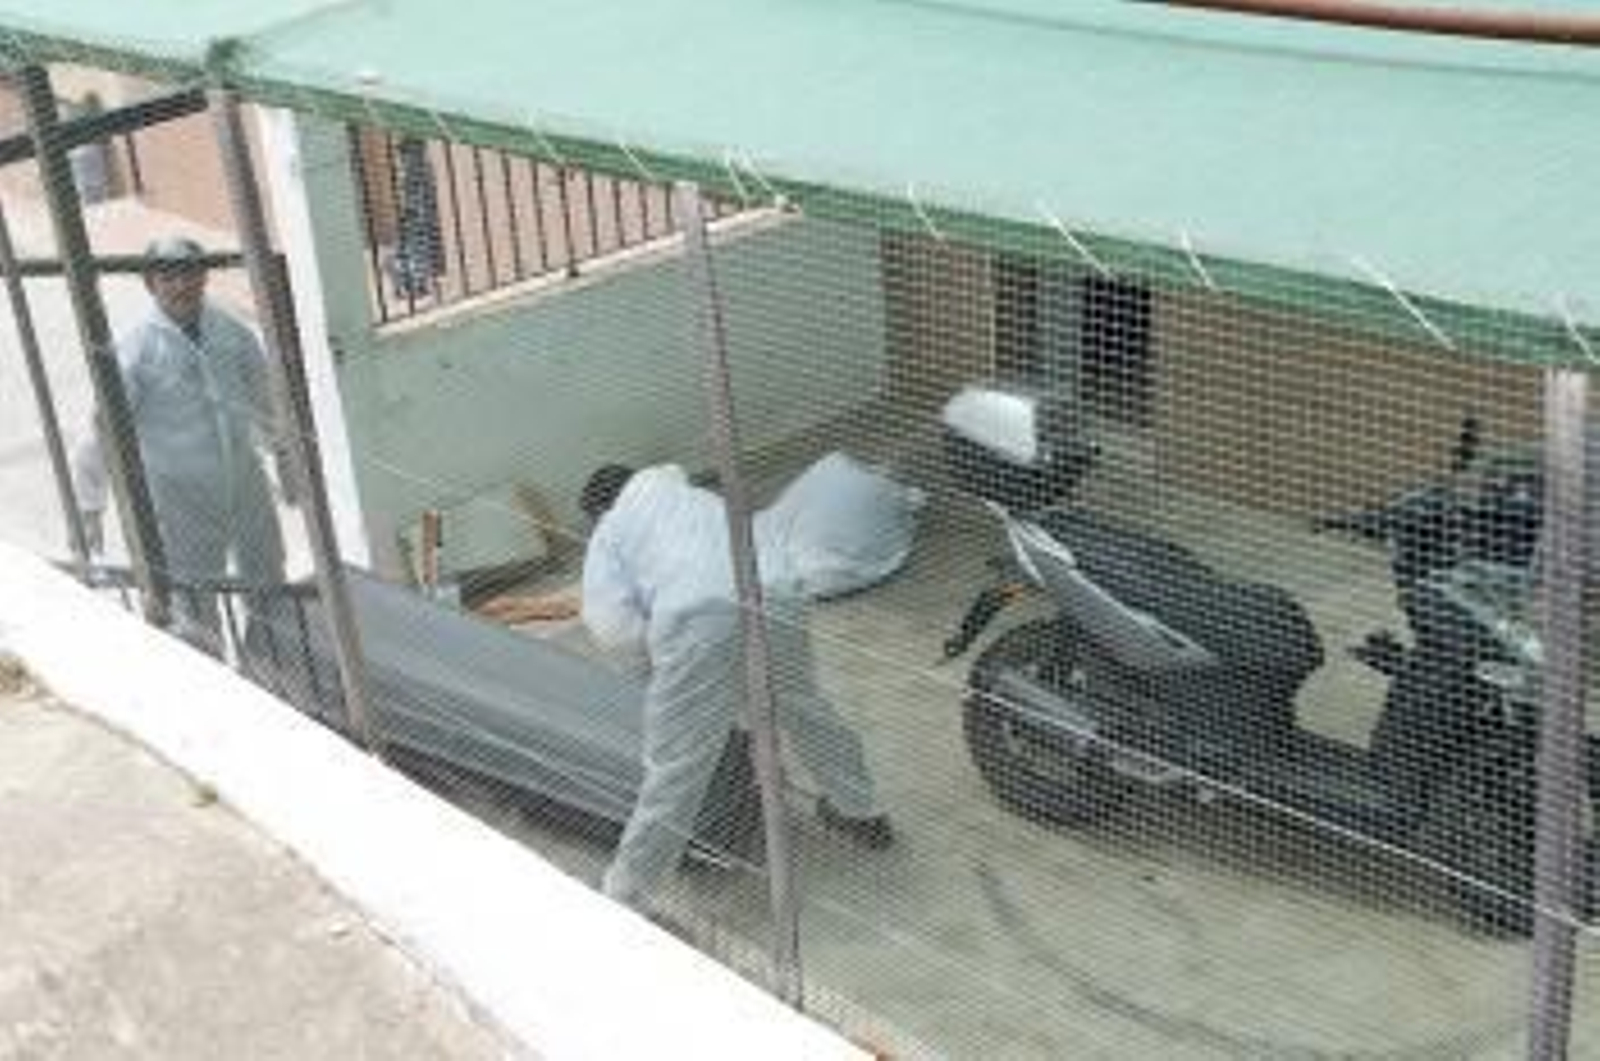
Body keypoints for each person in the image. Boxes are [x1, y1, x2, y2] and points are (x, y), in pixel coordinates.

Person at [579, 462, 892, 909]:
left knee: (677, 764)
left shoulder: (612, 529)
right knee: (802, 706)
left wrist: (655, 677)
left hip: (697, 614)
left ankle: (625, 893)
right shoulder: (696, 499)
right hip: (775, 592)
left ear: (598, 511)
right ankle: (863, 811)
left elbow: (611, 627)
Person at [74, 236, 289, 652]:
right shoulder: (135, 350)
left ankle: (268, 672)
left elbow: (266, 400)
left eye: (189, 273)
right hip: (179, 498)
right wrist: (89, 503)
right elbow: (104, 429)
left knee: (269, 582)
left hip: (243, 482)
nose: (181, 285)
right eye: (167, 276)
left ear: (204, 276)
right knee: (193, 601)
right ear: (150, 284)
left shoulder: (232, 333)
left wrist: (283, 456)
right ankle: (213, 690)